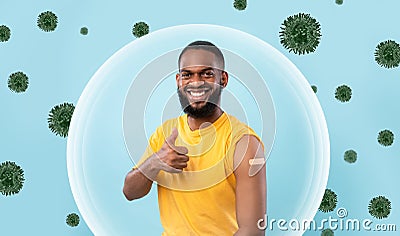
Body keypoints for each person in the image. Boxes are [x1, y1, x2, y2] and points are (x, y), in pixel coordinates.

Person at [123, 40, 266, 236]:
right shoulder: (165, 133)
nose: (196, 82)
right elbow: (130, 192)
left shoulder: (244, 142)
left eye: (207, 74)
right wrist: (155, 162)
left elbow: (252, 231)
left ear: (223, 79)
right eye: (187, 75)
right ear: (178, 81)